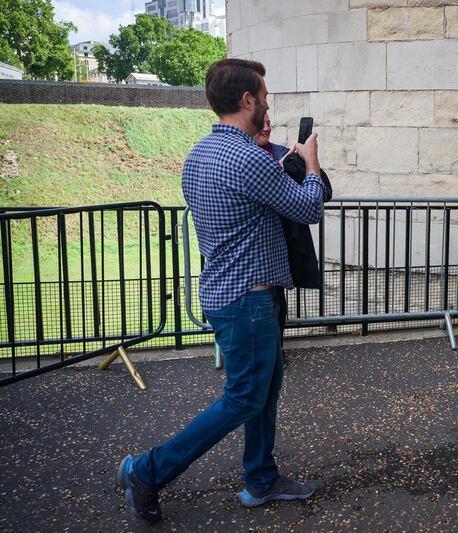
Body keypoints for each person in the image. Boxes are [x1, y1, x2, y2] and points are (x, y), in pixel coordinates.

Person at [116, 58, 325, 524]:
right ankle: (146, 471)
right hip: (248, 299)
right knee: (244, 397)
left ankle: (260, 479)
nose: (267, 104)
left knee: (263, 393)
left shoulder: (201, 153)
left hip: (232, 292)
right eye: (265, 97)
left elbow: (252, 213)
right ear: (247, 100)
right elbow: (309, 208)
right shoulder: (249, 157)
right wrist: (310, 165)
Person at [253, 110, 333, 352]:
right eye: (261, 124)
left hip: (283, 244)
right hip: (255, 251)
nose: (266, 128)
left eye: (269, 123)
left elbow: (323, 193)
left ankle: (276, 351)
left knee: (276, 301)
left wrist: (307, 162)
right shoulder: (247, 158)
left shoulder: (283, 153)